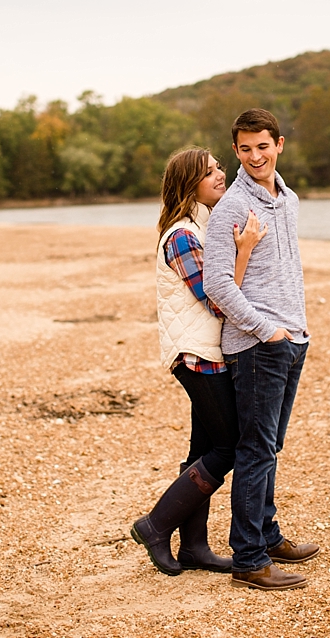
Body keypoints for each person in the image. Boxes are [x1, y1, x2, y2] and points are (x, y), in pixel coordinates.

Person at [132, 146, 265, 576]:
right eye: (210, 172)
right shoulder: (183, 236)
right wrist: (243, 250)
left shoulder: (202, 225)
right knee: (227, 447)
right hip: (196, 355)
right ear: (190, 184)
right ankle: (155, 525)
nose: (221, 175)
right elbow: (215, 300)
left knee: (202, 449)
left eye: (219, 167)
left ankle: (194, 549)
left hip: (206, 351)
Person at [203, 108, 320, 591]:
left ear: (279, 144)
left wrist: (294, 331)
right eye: (245, 148)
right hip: (257, 347)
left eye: (263, 146)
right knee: (255, 450)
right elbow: (217, 285)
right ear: (235, 151)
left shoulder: (288, 198)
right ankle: (249, 560)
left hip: (293, 339)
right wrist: (265, 330)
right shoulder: (231, 207)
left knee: (270, 447)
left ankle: (268, 535)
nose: (255, 156)